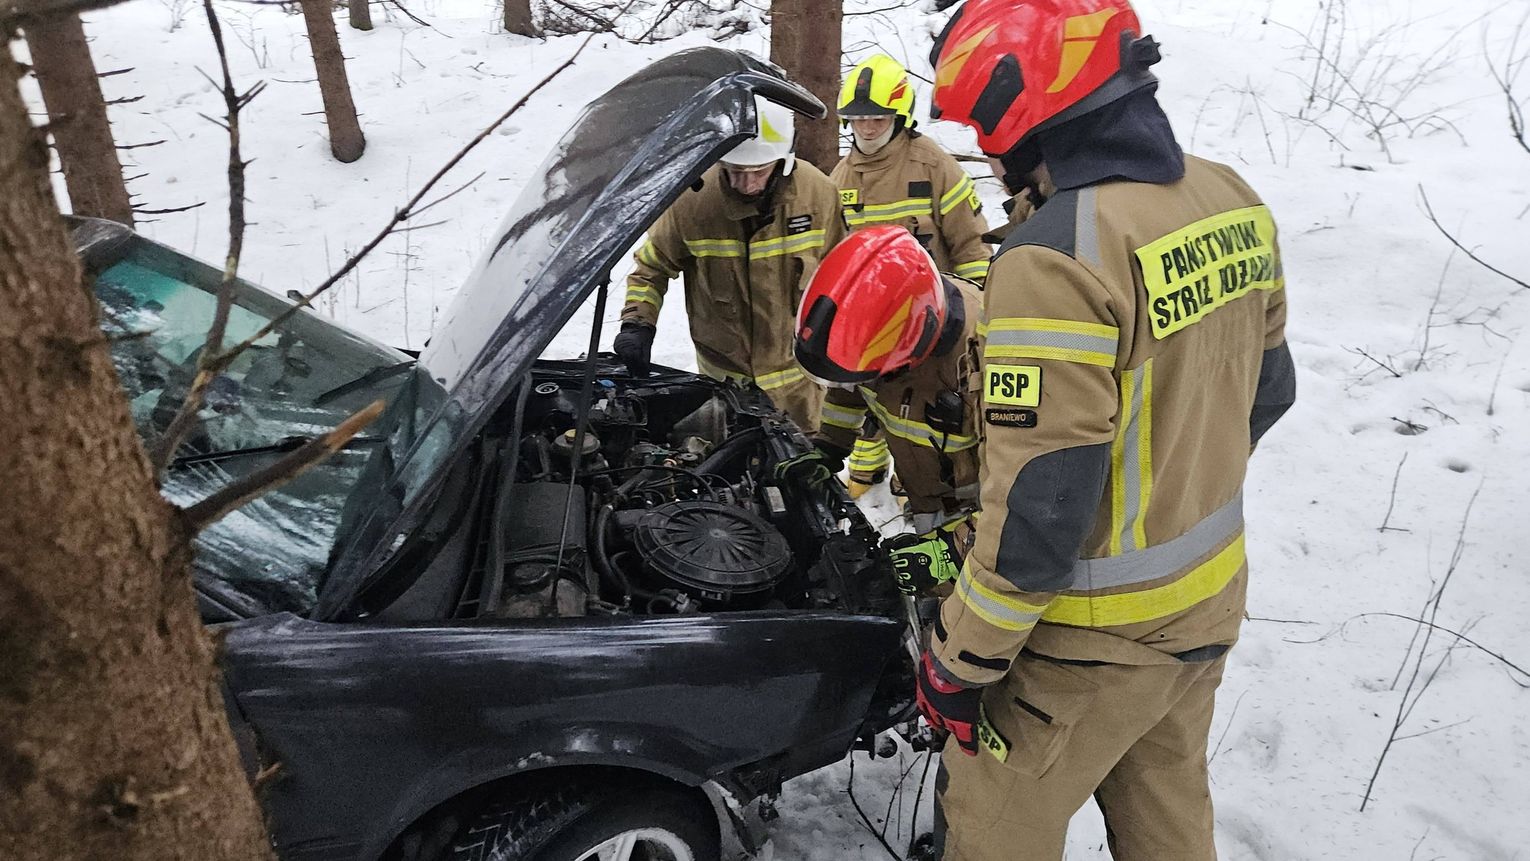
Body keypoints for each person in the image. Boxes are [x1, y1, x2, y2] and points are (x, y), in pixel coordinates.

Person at [913, 1, 1298, 859]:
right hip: (1204, 609)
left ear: (1028, 113)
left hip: (1083, 649)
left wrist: (959, 659)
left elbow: (1040, 512)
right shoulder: (1231, 197)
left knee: (991, 834)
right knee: (1168, 826)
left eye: (985, 130)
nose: (987, 153)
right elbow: (1270, 392)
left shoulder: (1055, 257)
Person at [615, 95, 846, 432]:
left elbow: (843, 274)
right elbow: (651, 267)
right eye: (736, 171)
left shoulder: (818, 195)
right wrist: (637, 323)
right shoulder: (691, 201)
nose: (747, 184)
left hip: (798, 386)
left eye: (759, 172)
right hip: (723, 389)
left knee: (801, 460)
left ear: (783, 160)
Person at [831, 54, 994, 496]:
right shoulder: (840, 180)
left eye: (878, 118)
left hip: (938, 320)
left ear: (899, 116)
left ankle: (919, 479)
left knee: (927, 409)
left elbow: (970, 243)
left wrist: (978, 311)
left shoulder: (932, 166)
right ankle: (866, 470)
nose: (867, 128)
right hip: (873, 319)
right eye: (859, 119)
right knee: (869, 393)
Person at [792, 226, 983, 595]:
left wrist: (955, 547)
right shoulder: (883, 323)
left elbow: (1032, 494)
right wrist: (830, 445)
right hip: (929, 510)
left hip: (992, 535)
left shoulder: (989, 357)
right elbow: (851, 383)